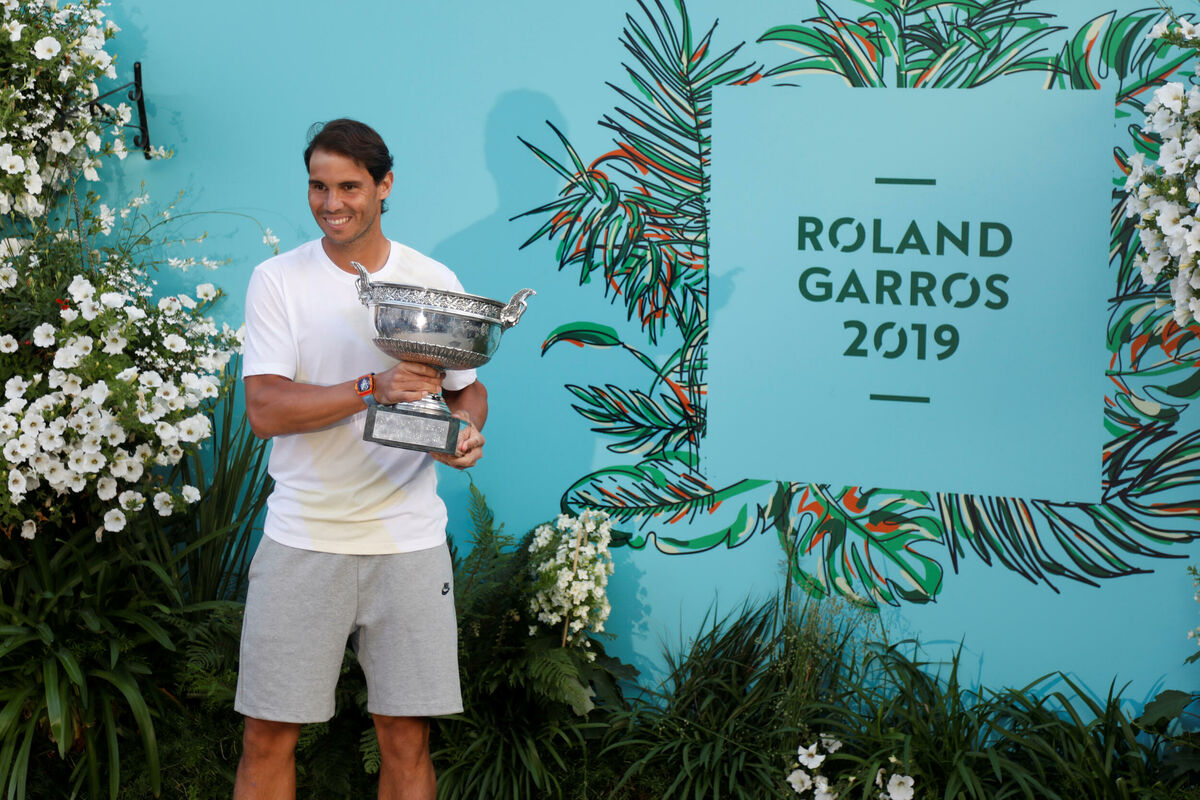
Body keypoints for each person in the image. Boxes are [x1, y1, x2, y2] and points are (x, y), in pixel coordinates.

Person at [233, 118, 486, 800]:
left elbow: (466, 389)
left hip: (408, 543)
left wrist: (462, 432)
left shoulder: (431, 279)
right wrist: (373, 386)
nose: (331, 202)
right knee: (267, 737)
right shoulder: (278, 280)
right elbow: (265, 410)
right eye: (318, 186)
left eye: (349, 186)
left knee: (406, 740)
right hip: (303, 539)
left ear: (384, 186)